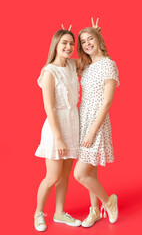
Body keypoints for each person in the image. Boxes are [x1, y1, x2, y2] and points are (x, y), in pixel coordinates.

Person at [34, 28, 81, 232]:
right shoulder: (49, 72)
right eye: (64, 43)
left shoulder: (72, 64)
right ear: (55, 44)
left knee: (65, 176)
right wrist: (59, 138)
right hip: (56, 127)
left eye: (71, 43)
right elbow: (48, 107)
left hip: (73, 123)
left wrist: (95, 36)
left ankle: (59, 213)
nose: (69, 47)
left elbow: (90, 58)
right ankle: (38, 213)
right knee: (52, 176)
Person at [74, 21, 120, 228]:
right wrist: (92, 34)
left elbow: (107, 102)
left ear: (100, 40)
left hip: (97, 122)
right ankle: (95, 211)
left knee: (80, 174)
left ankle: (108, 202)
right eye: (83, 42)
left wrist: (92, 131)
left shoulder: (109, 65)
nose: (86, 44)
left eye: (90, 38)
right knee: (91, 172)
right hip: (83, 118)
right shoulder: (86, 66)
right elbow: (64, 62)